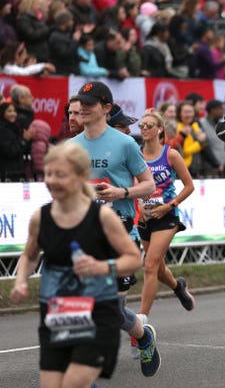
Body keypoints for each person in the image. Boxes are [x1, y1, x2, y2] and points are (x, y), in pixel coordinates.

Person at [9, 143, 143, 388]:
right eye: (48, 174)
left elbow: (134, 258)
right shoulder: (42, 217)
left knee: (71, 384)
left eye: (61, 175)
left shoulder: (101, 217)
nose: (52, 181)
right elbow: (29, 255)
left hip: (98, 312)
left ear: (82, 176)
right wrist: (20, 281)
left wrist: (102, 268)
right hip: (59, 311)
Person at [67, 81, 161, 377]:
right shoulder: (71, 147)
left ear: (106, 108)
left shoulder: (125, 143)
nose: (83, 107)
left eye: (90, 102)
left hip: (120, 234)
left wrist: (121, 193)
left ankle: (143, 336)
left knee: (110, 310)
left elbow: (149, 185)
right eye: (81, 101)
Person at [137, 109, 195, 317]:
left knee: (150, 264)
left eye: (149, 125)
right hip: (145, 217)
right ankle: (177, 286)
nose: (144, 129)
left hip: (167, 216)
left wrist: (170, 205)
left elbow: (189, 186)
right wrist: (138, 206)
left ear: (160, 129)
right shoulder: (136, 154)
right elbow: (131, 184)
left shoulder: (170, 154)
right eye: (141, 125)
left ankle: (141, 322)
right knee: (159, 269)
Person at [0, 101, 27, 182]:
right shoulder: (2, 130)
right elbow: (10, 152)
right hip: (7, 173)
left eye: (14, 111)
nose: (13, 113)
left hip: (17, 171)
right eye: (9, 111)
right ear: (2, 113)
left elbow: (23, 150)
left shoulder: (16, 128)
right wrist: (24, 140)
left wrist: (26, 140)